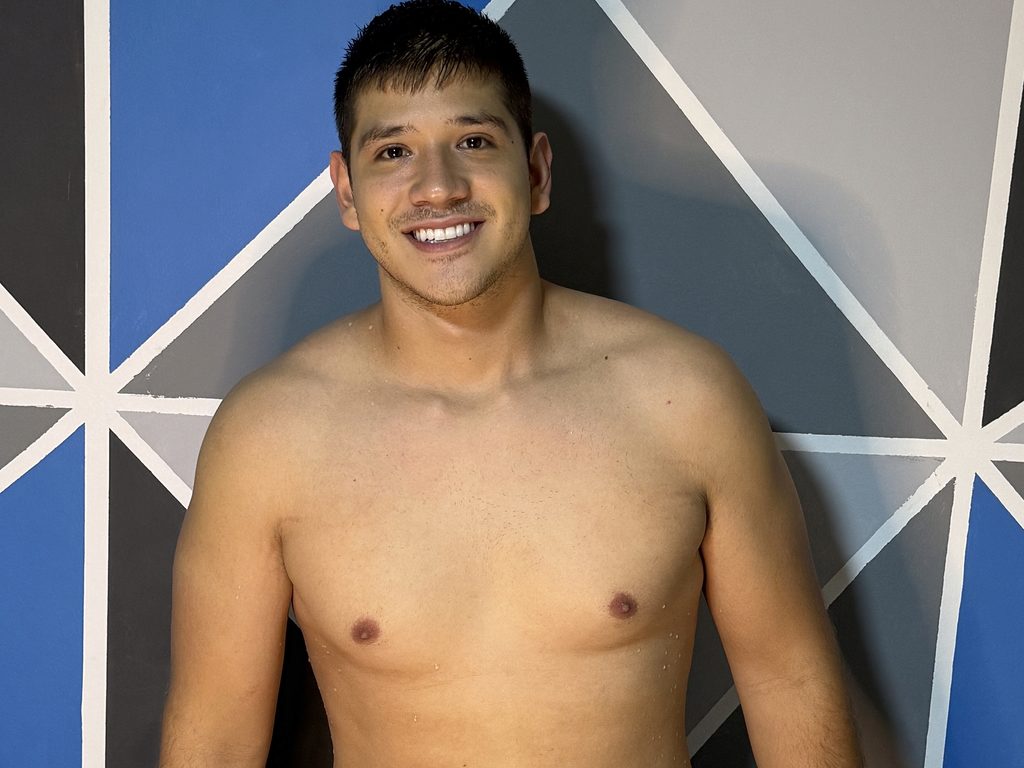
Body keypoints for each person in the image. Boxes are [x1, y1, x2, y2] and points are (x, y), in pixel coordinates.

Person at [159, 1, 862, 765]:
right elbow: (216, 739)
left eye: (473, 141)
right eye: (393, 152)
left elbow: (790, 684)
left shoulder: (687, 399)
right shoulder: (268, 437)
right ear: (347, 192)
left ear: (535, 171)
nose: (437, 188)